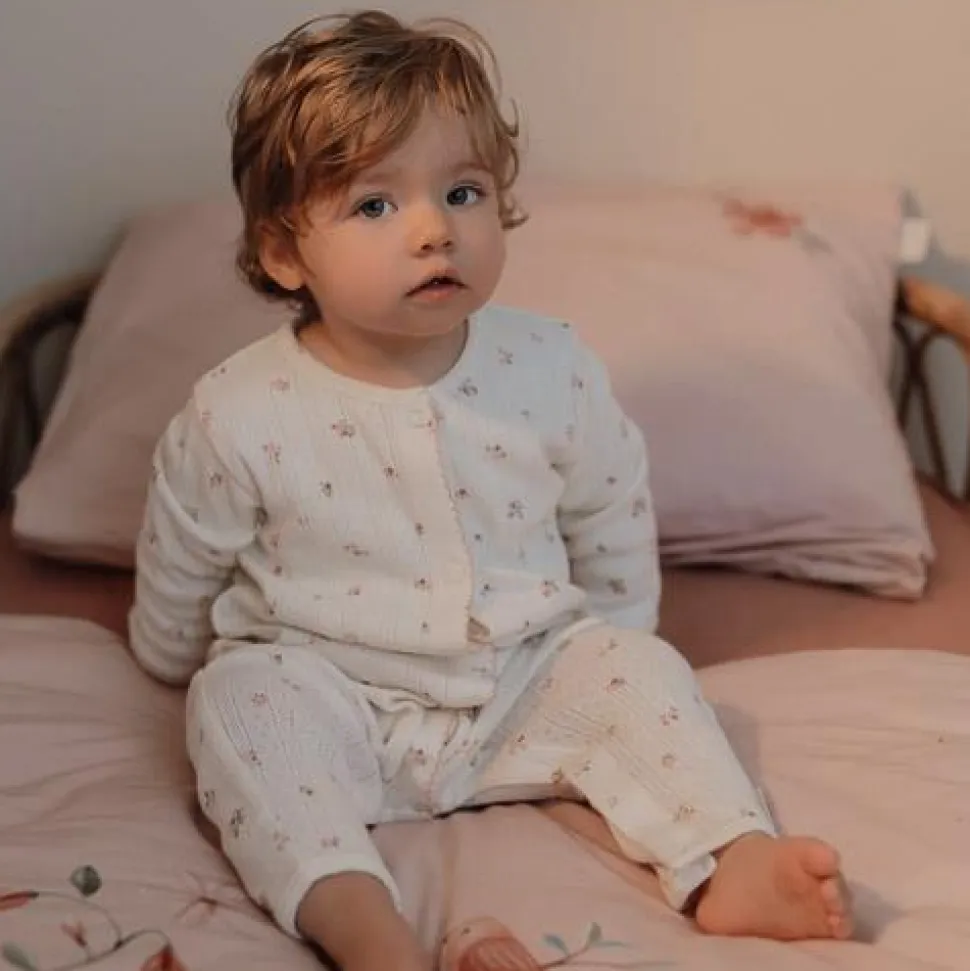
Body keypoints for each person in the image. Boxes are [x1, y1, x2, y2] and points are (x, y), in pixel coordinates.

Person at [129, 10, 853, 970]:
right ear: (284, 255)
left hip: (520, 681)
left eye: (463, 192)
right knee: (237, 702)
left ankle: (729, 857)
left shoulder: (548, 366)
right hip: (334, 692)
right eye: (374, 206)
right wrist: (168, 653)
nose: (435, 229)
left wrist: (615, 641)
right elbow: (184, 551)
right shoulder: (239, 411)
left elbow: (608, 504)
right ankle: (363, 924)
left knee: (641, 672)